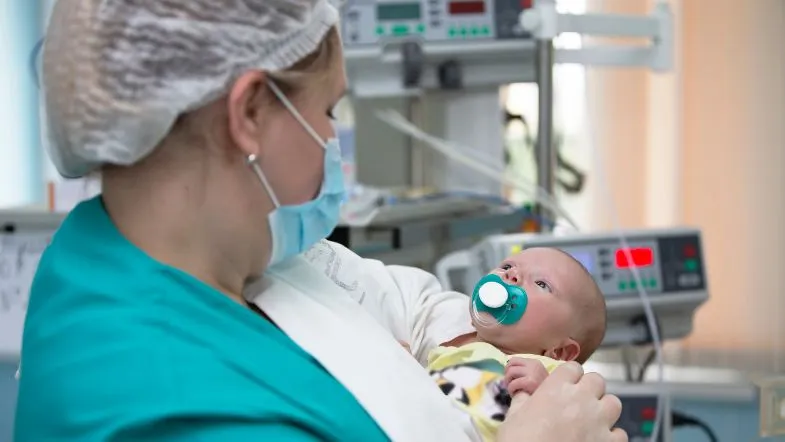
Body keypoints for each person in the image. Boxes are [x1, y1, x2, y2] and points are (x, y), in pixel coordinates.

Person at [14, 1, 626, 441]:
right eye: (329, 110)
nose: (333, 140)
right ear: (251, 112)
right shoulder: (170, 403)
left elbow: (414, 304)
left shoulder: (190, 252)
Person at [425, 247, 607, 440]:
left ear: (560, 352)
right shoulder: (449, 349)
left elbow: (566, 418)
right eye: (507, 266)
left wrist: (543, 389)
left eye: (541, 283)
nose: (512, 274)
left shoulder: (545, 372)